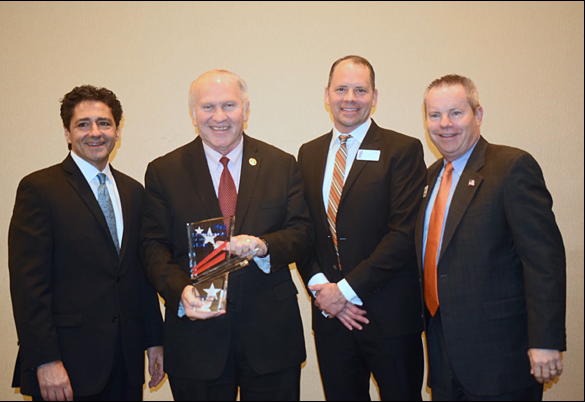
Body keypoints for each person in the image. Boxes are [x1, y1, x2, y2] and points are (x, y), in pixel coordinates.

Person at [140, 69, 312, 401]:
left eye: (229, 105)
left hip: (271, 339)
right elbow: (152, 246)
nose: (219, 117)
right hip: (195, 341)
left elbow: (302, 232)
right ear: (193, 114)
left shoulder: (281, 164)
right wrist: (180, 291)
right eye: (208, 107)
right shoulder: (164, 171)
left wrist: (264, 247)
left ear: (246, 111)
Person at [8, 85, 164, 401]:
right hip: (66, 366)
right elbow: (28, 286)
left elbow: (138, 274)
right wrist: (45, 360)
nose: (95, 132)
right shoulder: (39, 189)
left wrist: (154, 340)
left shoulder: (134, 192)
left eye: (104, 123)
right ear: (67, 133)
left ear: (117, 131)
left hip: (125, 362)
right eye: (83, 124)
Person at [418, 74, 566, 401]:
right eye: (434, 114)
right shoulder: (430, 177)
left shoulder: (511, 167)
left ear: (478, 115)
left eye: (456, 112)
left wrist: (545, 340)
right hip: (444, 358)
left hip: (500, 360)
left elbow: (544, 261)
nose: (445, 124)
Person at [297, 55, 427, 400]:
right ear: (327, 94)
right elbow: (303, 230)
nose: (349, 98)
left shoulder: (403, 150)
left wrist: (346, 292)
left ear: (375, 96)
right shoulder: (308, 154)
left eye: (360, 90)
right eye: (341, 89)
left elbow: (403, 235)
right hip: (330, 318)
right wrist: (322, 288)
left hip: (389, 317)